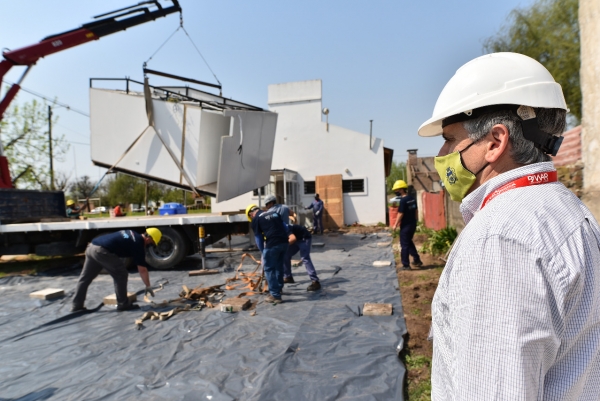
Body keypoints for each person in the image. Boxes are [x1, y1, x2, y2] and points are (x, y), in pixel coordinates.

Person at [419, 52, 600, 399]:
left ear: (495, 142)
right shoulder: (571, 211)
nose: (442, 154)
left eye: (449, 138)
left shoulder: (500, 239)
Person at [71, 228, 162, 312]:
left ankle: (77, 305)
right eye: (152, 243)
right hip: (101, 251)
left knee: (85, 278)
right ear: (148, 238)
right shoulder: (138, 243)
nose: (150, 246)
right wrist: (148, 286)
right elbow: (142, 269)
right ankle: (123, 304)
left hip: (91, 247)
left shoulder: (132, 233)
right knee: (121, 274)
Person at [246, 203, 289, 304]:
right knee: (279, 266)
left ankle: (275, 295)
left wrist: (263, 251)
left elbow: (258, 238)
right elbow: (286, 228)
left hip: (272, 244)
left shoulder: (256, 220)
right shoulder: (274, 214)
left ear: (251, 214)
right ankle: (279, 288)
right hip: (284, 243)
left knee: (269, 269)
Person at [391, 180, 422, 270]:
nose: (396, 192)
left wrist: (395, 224)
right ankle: (417, 260)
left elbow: (400, 213)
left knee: (404, 245)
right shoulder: (412, 198)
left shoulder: (403, 201)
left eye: (397, 190)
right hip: (412, 224)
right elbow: (416, 210)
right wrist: (415, 220)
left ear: (401, 189)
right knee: (408, 242)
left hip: (405, 226)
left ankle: (406, 265)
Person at [282, 223, 321, 291]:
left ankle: (315, 282)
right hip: (296, 238)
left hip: (304, 238)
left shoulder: (283, 226)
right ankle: (288, 277)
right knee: (285, 255)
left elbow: (292, 238)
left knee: (305, 258)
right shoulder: (274, 227)